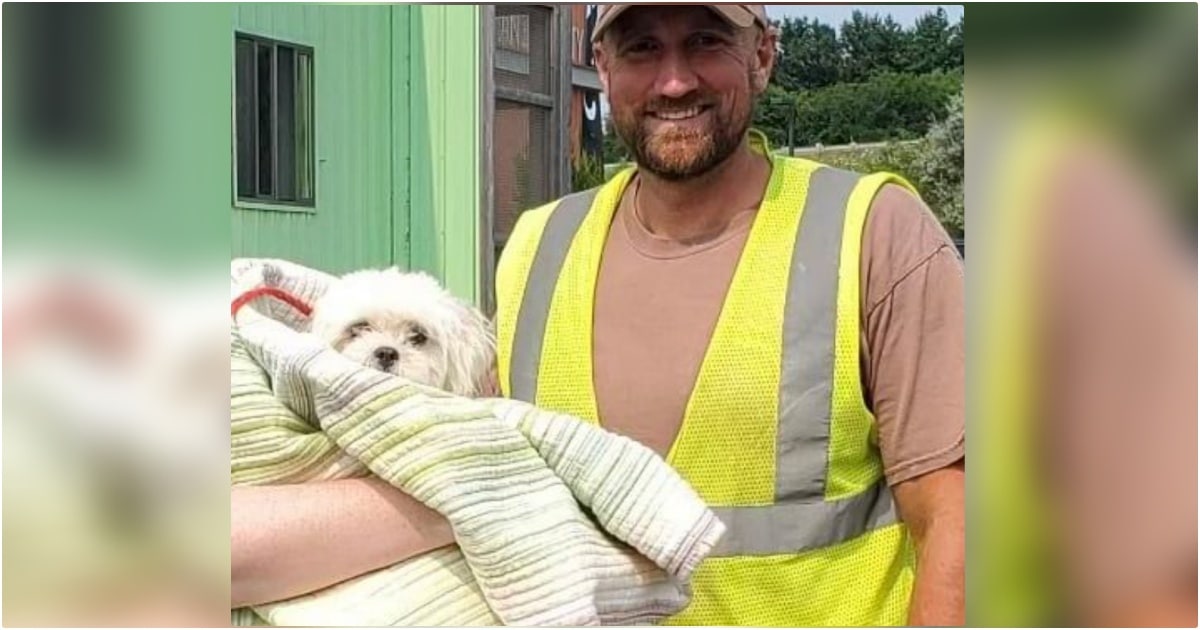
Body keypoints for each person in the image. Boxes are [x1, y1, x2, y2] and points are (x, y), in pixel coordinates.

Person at [232, 4, 964, 626]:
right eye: (642, 47)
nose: (674, 80)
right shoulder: (539, 244)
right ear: (601, 66)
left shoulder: (869, 230)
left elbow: (957, 521)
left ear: (763, 56)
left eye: (706, 41)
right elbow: (471, 467)